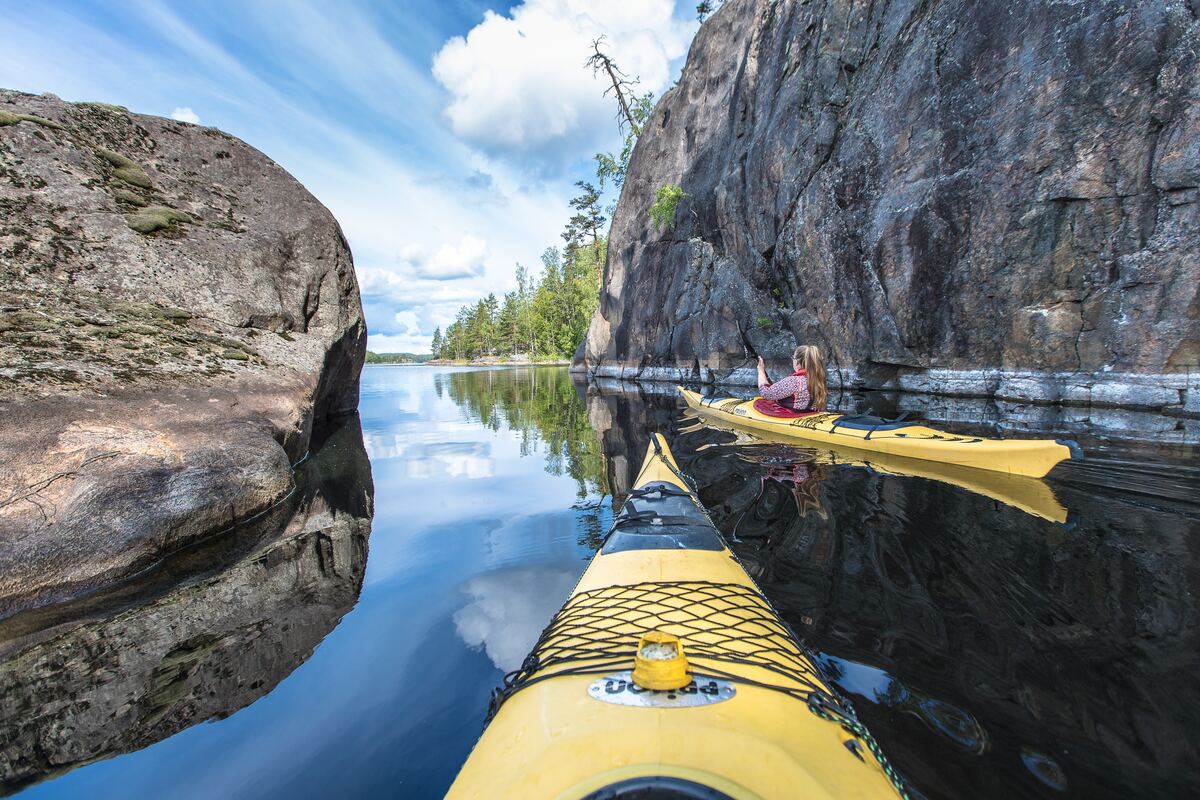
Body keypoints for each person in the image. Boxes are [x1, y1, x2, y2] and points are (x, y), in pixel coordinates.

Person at [756, 345, 828, 412]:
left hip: (792, 416)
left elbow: (766, 393)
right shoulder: (819, 379)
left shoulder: (794, 381)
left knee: (759, 403)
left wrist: (761, 370)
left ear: (797, 362)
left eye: (793, 358)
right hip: (810, 414)